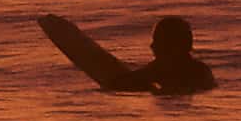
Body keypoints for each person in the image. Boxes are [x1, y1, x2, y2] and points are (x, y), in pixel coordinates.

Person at [38, 10, 217, 96]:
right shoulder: (201, 70)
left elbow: (119, 84)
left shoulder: (160, 69)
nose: (152, 47)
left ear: (171, 46)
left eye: (157, 42)